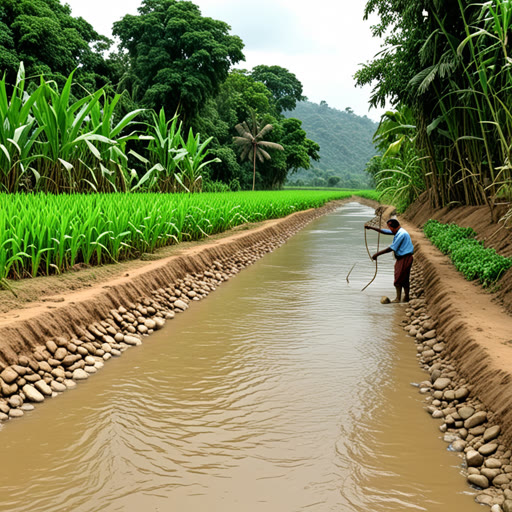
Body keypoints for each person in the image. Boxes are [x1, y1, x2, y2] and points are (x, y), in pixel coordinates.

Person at [365, 218, 414, 303]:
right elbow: (384, 231)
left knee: (398, 279)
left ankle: (398, 299)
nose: (389, 229)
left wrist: (377, 254)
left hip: (405, 258)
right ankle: (406, 298)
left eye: (389, 227)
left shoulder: (401, 234)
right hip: (402, 258)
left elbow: (392, 248)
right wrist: (371, 228)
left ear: (393, 227)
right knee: (404, 278)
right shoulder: (398, 231)